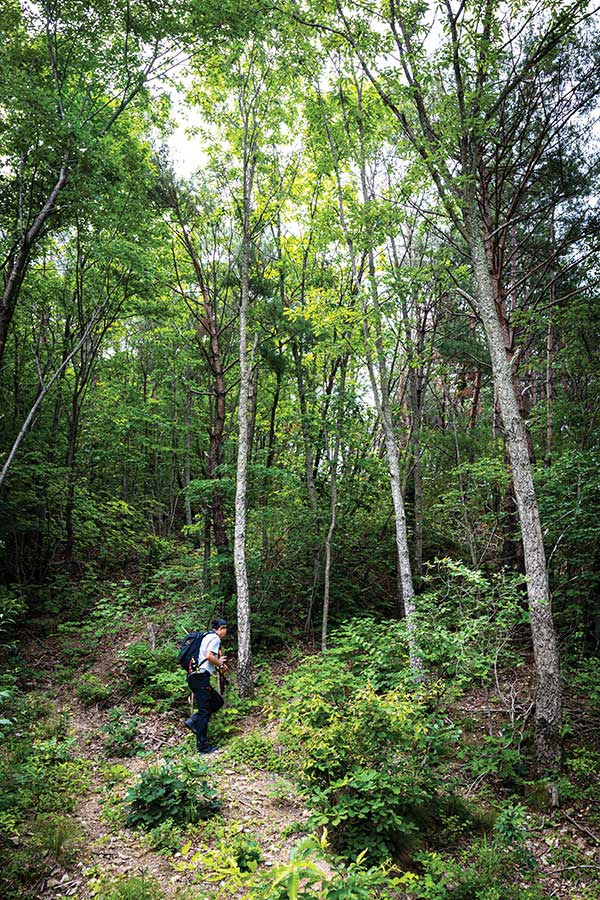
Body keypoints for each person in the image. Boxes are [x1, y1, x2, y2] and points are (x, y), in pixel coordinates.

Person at [185, 618, 228, 754]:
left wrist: (218, 661)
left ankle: (194, 721)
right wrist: (220, 664)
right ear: (221, 628)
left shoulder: (205, 637)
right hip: (200, 677)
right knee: (204, 710)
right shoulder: (215, 639)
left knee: (217, 701)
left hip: (195, 677)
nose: (226, 632)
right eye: (225, 629)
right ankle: (202, 747)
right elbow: (209, 656)